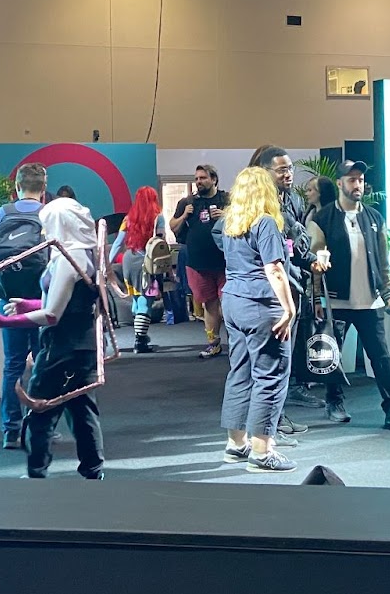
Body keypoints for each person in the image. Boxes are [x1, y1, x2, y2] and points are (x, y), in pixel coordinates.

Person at [0, 197, 106, 479]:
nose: (44, 231)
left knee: (41, 412)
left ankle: (37, 472)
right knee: (82, 411)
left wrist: (4, 321)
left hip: (62, 348)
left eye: (47, 224)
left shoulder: (69, 259)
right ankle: (93, 471)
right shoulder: (80, 254)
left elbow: (52, 315)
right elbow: (65, 302)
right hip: (80, 347)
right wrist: (29, 305)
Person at [310, 160, 390, 429]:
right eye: (352, 180)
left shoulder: (374, 218)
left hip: (370, 300)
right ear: (339, 183)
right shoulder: (322, 219)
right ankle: (334, 401)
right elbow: (315, 262)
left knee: (381, 355)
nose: (358, 185)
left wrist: (388, 294)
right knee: (332, 355)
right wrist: (317, 298)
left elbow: (383, 260)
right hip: (336, 300)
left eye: (360, 180)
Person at [217, 166, 298, 474]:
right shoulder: (265, 223)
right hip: (261, 304)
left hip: (233, 302)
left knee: (240, 372)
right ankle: (262, 451)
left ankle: (236, 445)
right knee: (270, 375)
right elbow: (274, 269)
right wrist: (289, 309)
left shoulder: (230, 225)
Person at [250, 147, 323, 434]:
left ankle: (277, 416)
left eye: (290, 168)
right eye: (281, 169)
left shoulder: (293, 199)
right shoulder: (256, 202)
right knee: (269, 362)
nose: (288, 174)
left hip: (292, 281)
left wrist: (311, 260)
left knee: (285, 356)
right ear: (266, 172)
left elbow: (297, 242)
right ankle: (269, 426)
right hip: (267, 288)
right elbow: (225, 236)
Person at [0, 163, 47, 449]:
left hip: (8, 299)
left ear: (17, 187)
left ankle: (10, 430)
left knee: (13, 364)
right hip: (40, 301)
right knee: (43, 362)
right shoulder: (47, 214)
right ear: (43, 188)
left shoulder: (1, 214)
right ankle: (40, 427)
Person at [170, 164, 229, 359]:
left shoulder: (227, 200)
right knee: (209, 305)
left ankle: (238, 343)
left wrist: (227, 216)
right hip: (198, 264)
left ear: (214, 179)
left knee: (229, 304)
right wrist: (184, 215)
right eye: (196, 179)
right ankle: (214, 344)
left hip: (225, 263)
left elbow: (244, 223)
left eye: (203, 178)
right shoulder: (187, 202)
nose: (198, 182)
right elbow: (173, 226)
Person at [111, 185, 167, 353]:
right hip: (147, 261)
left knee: (136, 299)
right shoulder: (158, 218)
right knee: (145, 301)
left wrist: (106, 263)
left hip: (129, 259)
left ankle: (140, 335)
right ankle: (140, 341)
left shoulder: (128, 218)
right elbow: (160, 243)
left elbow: (117, 243)